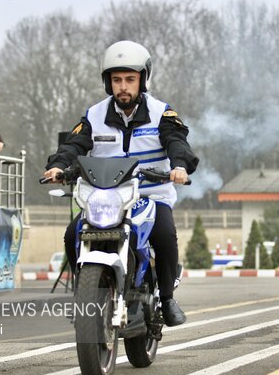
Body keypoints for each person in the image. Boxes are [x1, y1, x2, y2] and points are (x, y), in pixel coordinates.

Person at [43, 40, 199, 327]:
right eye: (117, 80)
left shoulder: (161, 113)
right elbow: (74, 144)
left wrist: (179, 166)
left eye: (130, 79)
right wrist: (58, 166)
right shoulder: (94, 115)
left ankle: (166, 299)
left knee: (164, 233)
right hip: (106, 196)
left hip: (151, 195)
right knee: (71, 234)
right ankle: (85, 292)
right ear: (108, 82)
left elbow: (177, 142)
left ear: (143, 79)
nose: (123, 86)